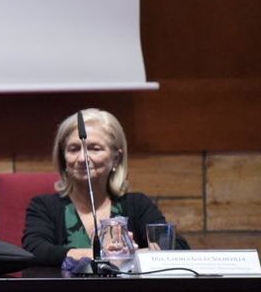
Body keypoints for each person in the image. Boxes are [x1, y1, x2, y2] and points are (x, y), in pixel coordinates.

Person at [23, 108, 188, 265]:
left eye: (94, 148)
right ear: (63, 158)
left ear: (116, 158)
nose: (82, 158)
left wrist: (129, 253)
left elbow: (176, 247)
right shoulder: (44, 206)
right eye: (73, 149)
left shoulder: (137, 205)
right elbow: (35, 251)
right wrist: (103, 253)